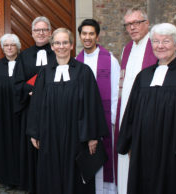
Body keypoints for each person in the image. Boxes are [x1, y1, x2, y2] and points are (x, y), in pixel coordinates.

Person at [27, 27, 109, 194]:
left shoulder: (84, 72)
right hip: (50, 134)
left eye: (65, 42)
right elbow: (36, 104)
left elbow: (92, 104)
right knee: (51, 172)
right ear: (52, 46)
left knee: (76, 176)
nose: (61, 46)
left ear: (72, 46)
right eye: (57, 43)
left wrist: (93, 136)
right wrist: (35, 132)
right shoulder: (44, 73)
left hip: (76, 135)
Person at [117, 23, 176, 194]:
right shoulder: (144, 76)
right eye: (156, 41)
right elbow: (131, 111)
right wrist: (128, 142)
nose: (160, 46)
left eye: (166, 41)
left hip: (171, 149)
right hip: (142, 149)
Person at [114, 6, 157, 194]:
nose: (132, 28)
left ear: (147, 23)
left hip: (147, 112)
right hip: (126, 110)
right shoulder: (127, 49)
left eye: (136, 23)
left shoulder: (156, 46)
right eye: (128, 24)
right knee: (125, 160)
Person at [76, 19, 120, 194]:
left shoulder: (110, 60)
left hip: (105, 120)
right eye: (84, 34)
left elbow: (116, 91)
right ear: (80, 36)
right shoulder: (76, 62)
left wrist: (113, 120)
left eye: (91, 33)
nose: (87, 37)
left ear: (97, 36)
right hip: (84, 122)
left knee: (105, 159)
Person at [14, 16, 56, 193]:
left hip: (53, 110)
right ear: (32, 33)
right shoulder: (24, 56)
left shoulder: (57, 52)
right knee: (31, 149)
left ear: (50, 32)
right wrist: (28, 91)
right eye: (37, 30)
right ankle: (32, 185)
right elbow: (17, 83)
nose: (41, 33)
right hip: (30, 110)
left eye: (44, 30)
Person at [0, 34, 22, 189]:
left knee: (20, 145)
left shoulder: (24, 64)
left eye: (12, 45)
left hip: (21, 112)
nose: (9, 48)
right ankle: (6, 177)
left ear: (17, 47)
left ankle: (21, 177)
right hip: (1, 113)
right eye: (6, 45)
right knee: (4, 145)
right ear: (2, 47)